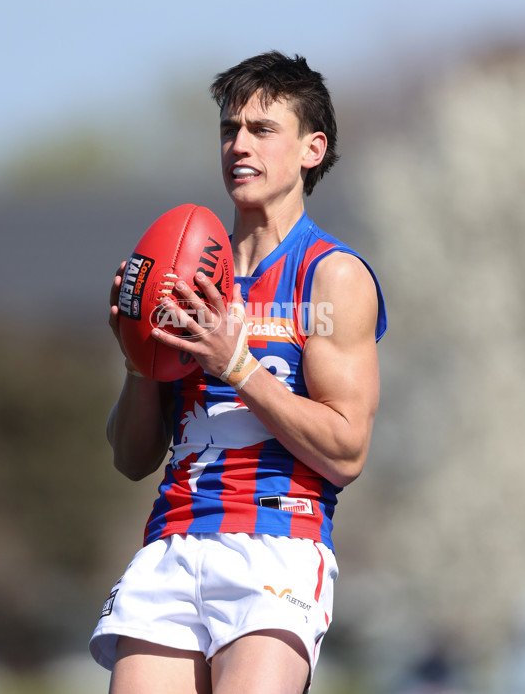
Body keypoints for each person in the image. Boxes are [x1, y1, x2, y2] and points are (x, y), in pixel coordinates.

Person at [89, 51, 387, 694]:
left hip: (276, 541)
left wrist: (238, 365)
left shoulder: (329, 276)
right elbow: (132, 459)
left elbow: (346, 450)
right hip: (173, 538)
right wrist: (138, 358)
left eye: (261, 129)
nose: (239, 145)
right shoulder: (186, 278)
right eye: (229, 129)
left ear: (313, 148)